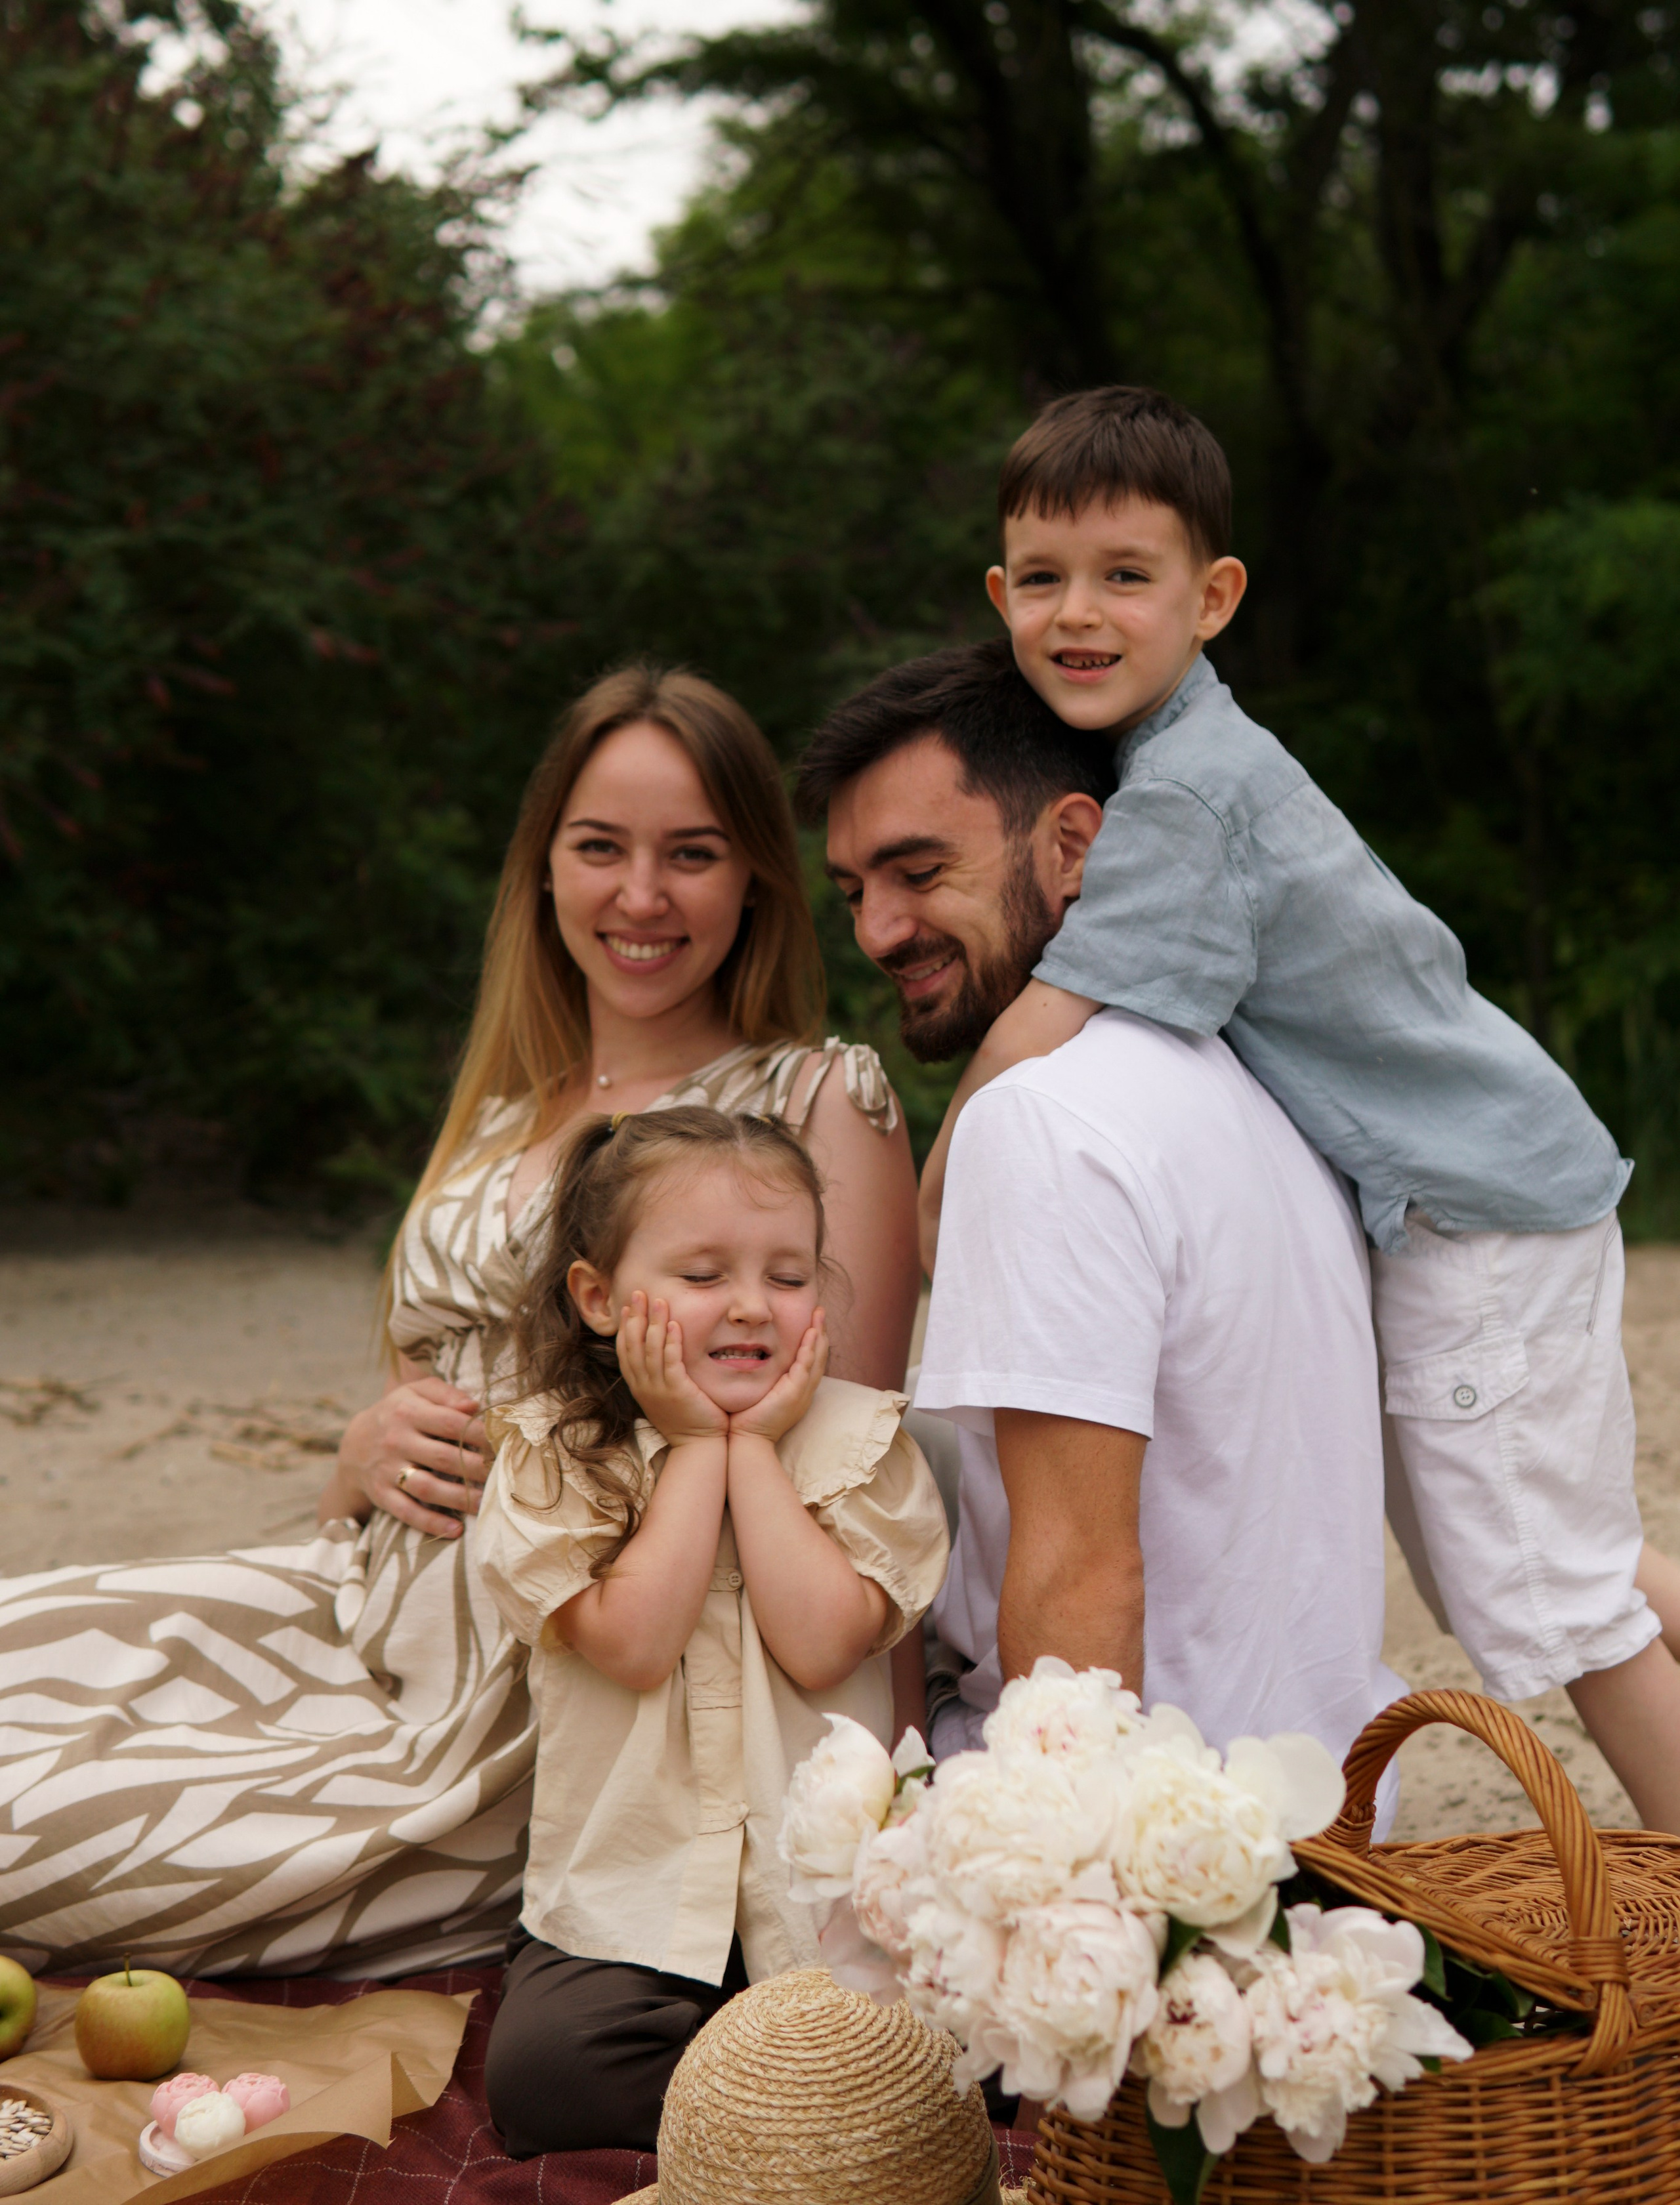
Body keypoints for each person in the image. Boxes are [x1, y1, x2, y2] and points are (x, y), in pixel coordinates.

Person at [0, 665, 921, 1980]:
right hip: (359, 1602)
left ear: (757, 879)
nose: (641, 897)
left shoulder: (813, 1097)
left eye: (692, 854)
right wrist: (358, 1452)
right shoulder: (507, 1110)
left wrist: (877, 1806)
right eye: (598, 848)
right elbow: (409, 1376)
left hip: (545, 1680)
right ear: (543, 870)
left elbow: (847, 1469)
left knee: (41, 1833)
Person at [915, 384, 1680, 1830]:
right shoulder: (1173, 761)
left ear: (1211, 599)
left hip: (1470, 1204)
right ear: (999, 590)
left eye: (1124, 578)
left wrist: (934, 1185)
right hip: (1467, 1188)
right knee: (1509, 1533)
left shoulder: (1191, 795)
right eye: (1042, 580)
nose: (1077, 613)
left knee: (1542, 1591)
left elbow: (1056, 1013)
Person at [797, 645, 1404, 1784]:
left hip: (1159, 1837)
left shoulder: (1044, 1123)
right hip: (1321, 1800)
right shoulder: (1260, 1086)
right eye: (853, 893)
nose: (877, 931)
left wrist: (1054, 1903)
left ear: (1075, 847)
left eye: (918, 872)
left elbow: (1082, 1577)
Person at [476, 1105, 948, 2156]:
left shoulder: (865, 1443)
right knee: (544, 2079)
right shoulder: (553, 1460)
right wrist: (696, 1444)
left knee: (947, 2041)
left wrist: (756, 1456)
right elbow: (636, 1643)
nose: (752, 1306)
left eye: (788, 1276)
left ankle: (784, 2106)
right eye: (703, 1276)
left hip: (822, 1908)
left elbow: (825, 1643)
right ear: (598, 1298)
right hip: (630, 1908)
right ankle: (792, 2120)